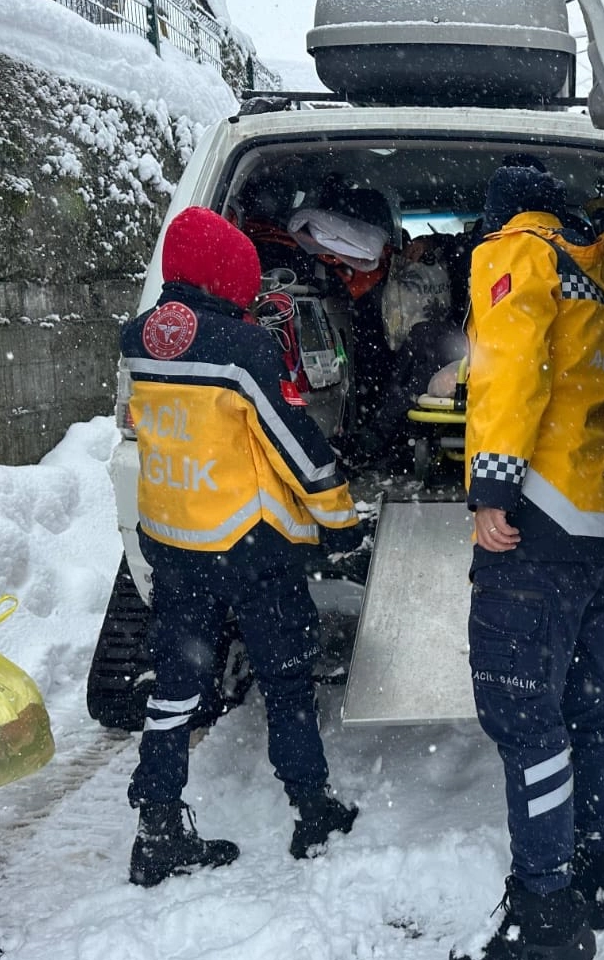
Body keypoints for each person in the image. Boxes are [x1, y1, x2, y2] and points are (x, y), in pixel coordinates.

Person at [120, 206, 363, 887]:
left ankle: (158, 828)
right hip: (249, 547)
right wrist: (337, 517)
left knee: (174, 686)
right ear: (228, 276)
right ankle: (311, 809)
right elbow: (294, 447)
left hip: (174, 541)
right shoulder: (244, 349)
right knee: (286, 677)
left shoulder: (139, 339)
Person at [452, 166, 604, 960]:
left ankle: (544, 912)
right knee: (593, 709)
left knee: (526, 717)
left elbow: (508, 369)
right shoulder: (599, 271)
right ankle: (595, 877)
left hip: (538, 522)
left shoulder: (516, 251)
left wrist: (491, 487)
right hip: (601, 520)